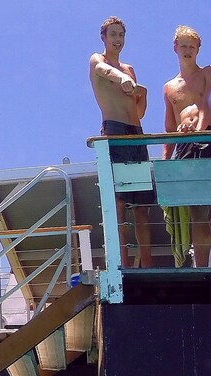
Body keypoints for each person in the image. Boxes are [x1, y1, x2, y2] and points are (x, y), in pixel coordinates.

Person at [90, 16, 153, 268]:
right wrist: (121, 79)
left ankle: (147, 267)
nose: (118, 39)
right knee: (119, 204)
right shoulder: (98, 59)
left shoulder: (130, 69)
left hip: (136, 132)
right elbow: (103, 71)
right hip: (114, 130)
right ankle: (123, 266)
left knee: (141, 207)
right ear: (104, 37)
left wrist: (143, 94)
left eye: (121, 35)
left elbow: (140, 113)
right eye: (113, 34)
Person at [163, 25, 211, 267]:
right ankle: (202, 270)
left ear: (198, 49)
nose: (188, 50)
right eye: (183, 45)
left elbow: (207, 105)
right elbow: (170, 128)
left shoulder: (208, 73)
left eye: (192, 46)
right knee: (198, 214)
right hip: (184, 150)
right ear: (175, 48)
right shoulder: (169, 87)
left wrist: (200, 130)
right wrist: (163, 162)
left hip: (208, 141)